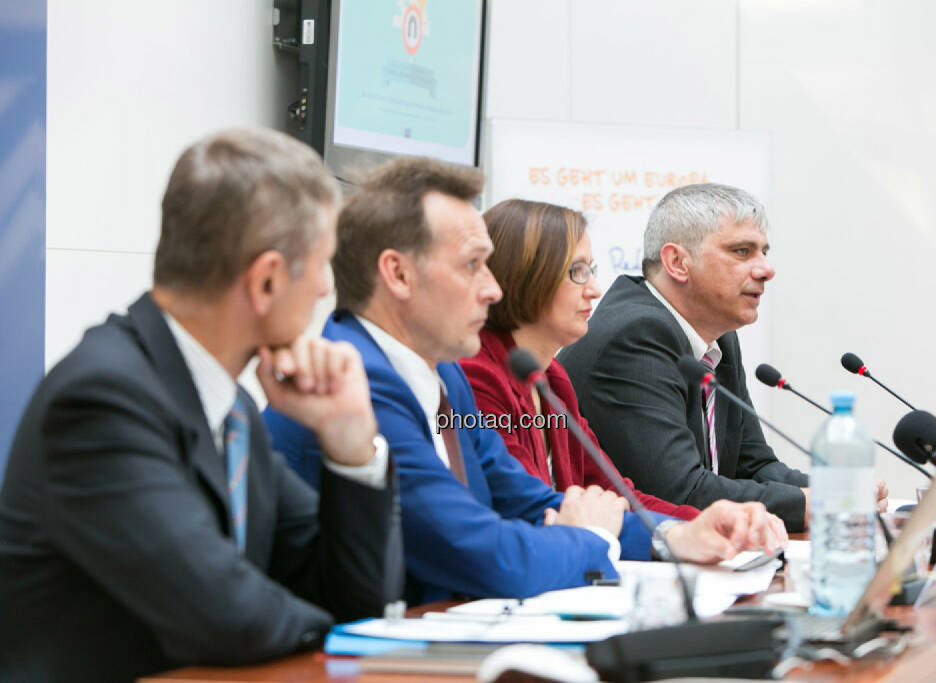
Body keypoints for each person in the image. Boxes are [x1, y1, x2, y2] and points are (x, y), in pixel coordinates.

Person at [264, 158, 786, 607]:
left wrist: (675, 535)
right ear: (398, 275)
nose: (493, 290)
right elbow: (478, 548)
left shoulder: (444, 374)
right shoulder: (360, 379)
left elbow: (525, 500)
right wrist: (591, 539)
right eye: (473, 266)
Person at [0, 129, 398, 683]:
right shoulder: (100, 402)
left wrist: (352, 444)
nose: (329, 287)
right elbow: (229, 614)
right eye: (325, 262)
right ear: (265, 281)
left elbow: (358, 597)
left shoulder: (228, 406)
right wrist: (347, 635)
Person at [558, 183, 888, 532]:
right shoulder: (636, 335)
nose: (766, 269)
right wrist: (821, 504)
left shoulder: (718, 337)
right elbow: (680, 491)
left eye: (763, 251)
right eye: (742, 252)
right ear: (677, 262)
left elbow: (753, 464)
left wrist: (836, 491)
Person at [460, 199, 702, 521]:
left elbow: (616, 493)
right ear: (524, 275)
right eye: (577, 272)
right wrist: (679, 533)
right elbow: (529, 506)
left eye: (592, 270)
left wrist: (704, 524)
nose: (595, 289)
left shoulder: (553, 381)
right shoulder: (476, 375)